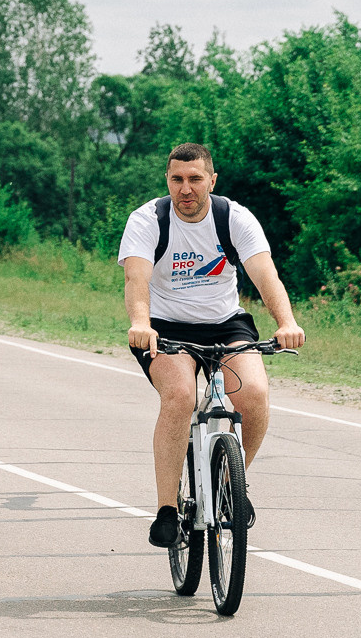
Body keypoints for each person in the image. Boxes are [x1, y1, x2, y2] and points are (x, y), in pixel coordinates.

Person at [120, 143, 304, 547]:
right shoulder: (148, 219)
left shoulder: (233, 217)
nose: (185, 188)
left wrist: (286, 321)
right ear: (168, 180)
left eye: (195, 179)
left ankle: (227, 486)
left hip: (226, 324)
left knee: (254, 393)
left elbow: (265, 274)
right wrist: (140, 323)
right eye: (176, 179)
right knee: (180, 396)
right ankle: (168, 509)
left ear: (211, 180)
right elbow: (137, 279)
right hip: (165, 329)